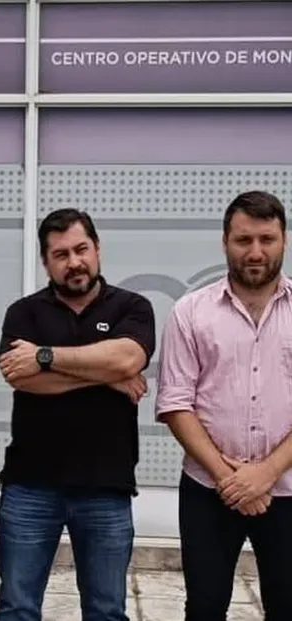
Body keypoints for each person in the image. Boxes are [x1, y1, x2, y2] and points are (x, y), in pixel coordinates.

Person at [0, 208, 156, 621]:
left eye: (81, 249)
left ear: (97, 248)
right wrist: (106, 375)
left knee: (106, 611)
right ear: (45, 262)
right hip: (30, 486)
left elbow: (127, 359)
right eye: (61, 254)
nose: (74, 262)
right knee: (16, 609)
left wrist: (44, 357)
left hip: (106, 486)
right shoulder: (24, 313)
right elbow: (21, 378)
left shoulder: (132, 307)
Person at [155, 190, 292, 621]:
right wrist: (228, 478)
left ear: (284, 240)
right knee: (204, 607)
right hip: (208, 490)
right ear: (224, 242)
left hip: (288, 489)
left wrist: (266, 472)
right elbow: (175, 403)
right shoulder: (190, 312)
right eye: (243, 239)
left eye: (267, 239)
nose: (256, 252)